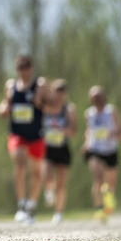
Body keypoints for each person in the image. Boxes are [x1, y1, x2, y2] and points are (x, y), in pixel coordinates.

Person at [0, 54, 47, 224]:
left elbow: (48, 105)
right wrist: (4, 108)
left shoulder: (39, 85)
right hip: (17, 133)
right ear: (16, 69)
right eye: (20, 67)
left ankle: (32, 203)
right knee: (19, 163)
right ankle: (21, 203)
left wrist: (39, 101)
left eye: (26, 66)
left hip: (35, 135)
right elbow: (3, 106)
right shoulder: (10, 86)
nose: (23, 70)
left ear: (31, 67)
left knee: (35, 172)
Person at [82, 85, 121, 222]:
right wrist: (85, 143)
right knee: (98, 178)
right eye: (93, 98)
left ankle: (108, 198)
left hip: (111, 150)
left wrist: (114, 133)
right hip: (95, 150)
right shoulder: (88, 113)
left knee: (110, 184)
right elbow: (89, 130)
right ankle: (99, 208)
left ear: (104, 97)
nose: (96, 100)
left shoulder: (111, 111)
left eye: (99, 97)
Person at [41, 79, 77, 224]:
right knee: (47, 175)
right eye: (57, 90)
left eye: (63, 90)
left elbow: (74, 130)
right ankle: (48, 191)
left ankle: (58, 212)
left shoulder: (69, 109)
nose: (60, 93)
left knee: (61, 183)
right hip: (47, 147)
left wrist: (62, 130)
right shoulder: (45, 108)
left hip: (62, 147)